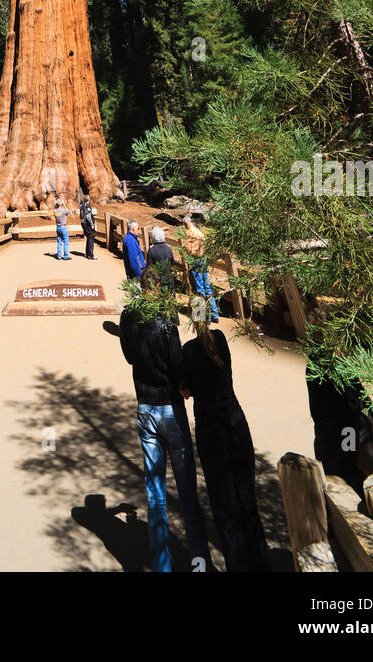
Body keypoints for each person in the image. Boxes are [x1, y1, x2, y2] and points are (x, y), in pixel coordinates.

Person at [119, 268, 211, 572]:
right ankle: (199, 563)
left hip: (145, 407)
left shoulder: (128, 317)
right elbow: (176, 362)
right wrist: (185, 384)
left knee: (155, 494)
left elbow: (130, 358)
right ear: (157, 287)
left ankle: (162, 567)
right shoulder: (165, 320)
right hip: (170, 408)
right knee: (187, 495)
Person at [179, 322, 270, 572]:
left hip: (211, 431)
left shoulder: (188, 351)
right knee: (247, 500)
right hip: (235, 422)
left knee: (224, 507)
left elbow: (185, 390)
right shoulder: (220, 339)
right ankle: (261, 564)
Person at [306, 364, 373, 499]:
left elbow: (351, 421)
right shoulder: (324, 366)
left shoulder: (324, 365)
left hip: (346, 438)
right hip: (344, 439)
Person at [183, 215, 219, 323]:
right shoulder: (199, 233)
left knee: (199, 288)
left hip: (196, 261)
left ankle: (205, 316)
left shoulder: (189, 234)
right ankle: (214, 314)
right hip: (203, 260)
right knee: (207, 286)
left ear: (185, 224)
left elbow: (189, 251)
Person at [79, 190, 97, 260]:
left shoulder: (82, 206)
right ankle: (90, 255)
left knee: (88, 239)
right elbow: (88, 216)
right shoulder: (87, 206)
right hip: (88, 225)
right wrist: (92, 224)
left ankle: (87, 254)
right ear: (88, 199)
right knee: (91, 239)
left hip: (84, 224)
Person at [53, 192, 71, 261]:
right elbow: (68, 212)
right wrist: (64, 205)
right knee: (66, 242)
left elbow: (56, 209)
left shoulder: (55, 211)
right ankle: (66, 256)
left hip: (58, 227)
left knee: (59, 242)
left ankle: (59, 256)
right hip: (63, 227)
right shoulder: (63, 210)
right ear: (61, 204)